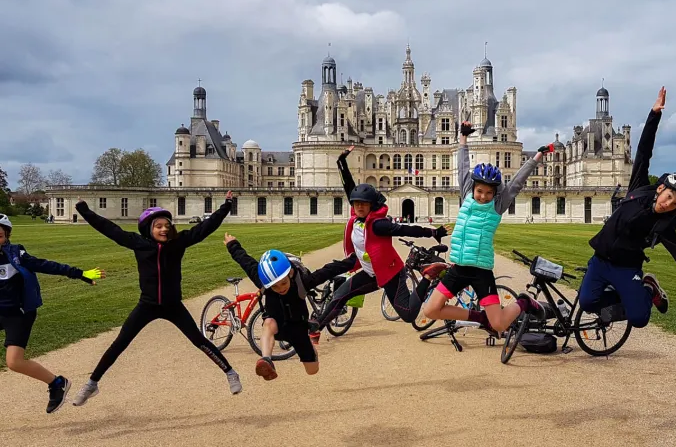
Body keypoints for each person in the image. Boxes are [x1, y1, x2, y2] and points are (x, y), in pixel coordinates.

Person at [576, 87, 676, 327]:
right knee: (588, 303)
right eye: (670, 196)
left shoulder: (663, 226)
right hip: (600, 260)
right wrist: (654, 115)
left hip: (627, 267)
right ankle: (627, 296)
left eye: (675, 204)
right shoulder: (638, 189)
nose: (668, 204)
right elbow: (644, 152)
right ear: (662, 189)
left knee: (639, 319)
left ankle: (648, 290)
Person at [71, 193, 242, 406]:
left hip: (173, 306)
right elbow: (109, 228)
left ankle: (230, 373)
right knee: (120, 343)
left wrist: (226, 206)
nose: (163, 229)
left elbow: (205, 227)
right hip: (147, 305)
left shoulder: (178, 243)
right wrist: (83, 209)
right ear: (149, 229)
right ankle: (92, 383)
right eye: (158, 226)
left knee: (199, 340)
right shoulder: (139, 244)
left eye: (167, 225)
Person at [417, 122, 553, 334]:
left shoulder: (498, 206)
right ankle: (480, 318)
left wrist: (536, 157)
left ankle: (524, 303)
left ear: (495, 193)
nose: (483, 196)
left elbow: (516, 183)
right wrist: (463, 138)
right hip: (459, 269)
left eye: (489, 192)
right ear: (473, 188)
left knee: (499, 325)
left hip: (481, 272)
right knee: (431, 310)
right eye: (480, 191)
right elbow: (463, 166)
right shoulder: (466, 194)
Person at [312, 145, 449, 331]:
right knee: (341, 295)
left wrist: (433, 232)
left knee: (408, 314)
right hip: (371, 273)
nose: (359, 207)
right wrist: (342, 162)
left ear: (371, 206)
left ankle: (427, 276)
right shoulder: (357, 216)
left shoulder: (378, 225)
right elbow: (350, 187)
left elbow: (404, 230)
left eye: (364, 204)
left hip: (391, 274)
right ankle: (316, 327)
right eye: (356, 203)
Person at [0, 214, 105, 413]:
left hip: (18, 314)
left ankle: (57, 383)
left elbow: (46, 265)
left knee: (14, 362)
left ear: (7, 236)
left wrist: (80, 273)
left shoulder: (16, 254)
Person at [224, 233, 356, 380]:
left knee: (312, 370)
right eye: (274, 287)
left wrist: (353, 261)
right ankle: (266, 360)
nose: (280, 288)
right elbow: (246, 262)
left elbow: (328, 270)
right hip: (276, 326)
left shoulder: (303, 281)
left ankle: (311, 350)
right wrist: (232, 245)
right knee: (269, 323)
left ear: (290, 274)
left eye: (283, 283)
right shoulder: (263, 280)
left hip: (298, 329)